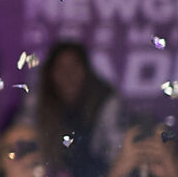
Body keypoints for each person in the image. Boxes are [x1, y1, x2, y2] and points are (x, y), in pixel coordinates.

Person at [21, 41, 127, 177]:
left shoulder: (105, 101)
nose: (68, 75)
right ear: (50, 74)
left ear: (86, 70)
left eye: (74, 67)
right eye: (61, 68)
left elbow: (117, 151)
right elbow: (22, 138)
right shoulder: (38, 101)